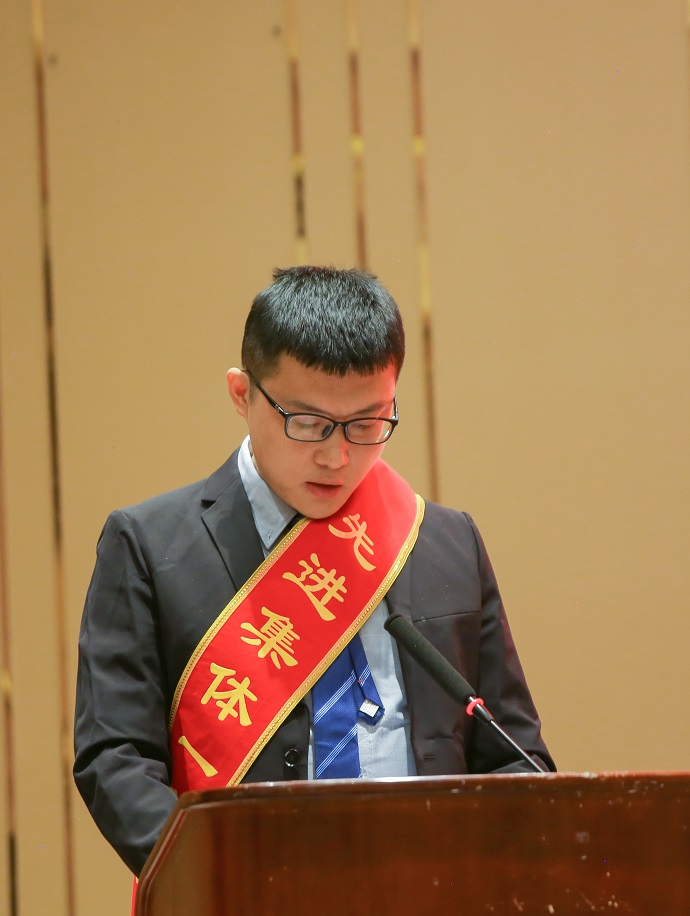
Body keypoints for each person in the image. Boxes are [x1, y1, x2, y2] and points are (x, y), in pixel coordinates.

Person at [74, 265, 554, 877]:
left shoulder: (444, 541)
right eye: (307, 423)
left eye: (368, 423)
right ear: (242, 394)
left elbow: (512, 753)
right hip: (246, 891)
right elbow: (115, 757)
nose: (337, 455)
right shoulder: (150, 546)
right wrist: (210, 878)